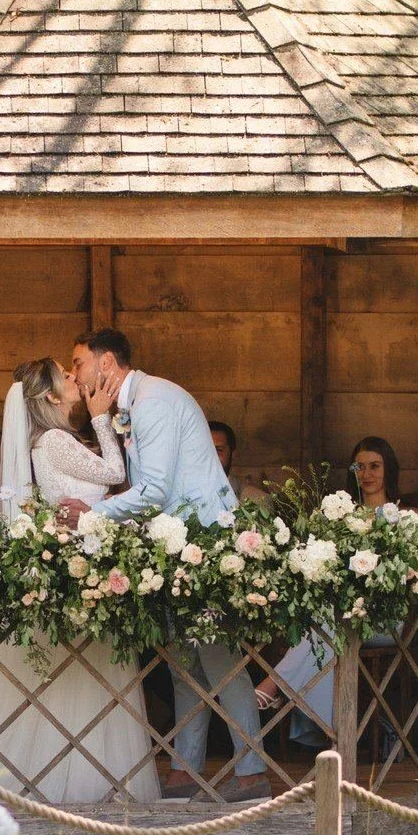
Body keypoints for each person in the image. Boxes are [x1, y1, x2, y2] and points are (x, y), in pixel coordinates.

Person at [0, 359, 160, 803]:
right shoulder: (53, 440)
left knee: (75, 686)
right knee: (80, 685)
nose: (76, 379)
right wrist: (99, 419)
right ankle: (73, 786)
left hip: (82, 566)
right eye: (66, 377)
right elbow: (115, 474)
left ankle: (72, 782)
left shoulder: (51, 441)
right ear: (52, 397)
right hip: (80, 573)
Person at [64, 330, 268, 801]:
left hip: (202, 544)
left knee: (217, 656)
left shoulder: (153, 401)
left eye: (78, 363)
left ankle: (253, 771)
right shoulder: (135, 405)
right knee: (183, 664)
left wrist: (94, 516)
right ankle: (185, 768)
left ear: (107, 363)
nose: (74, 373)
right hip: (174, 546)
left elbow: (153, 490)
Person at [254, 436, 404, 747]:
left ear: (388, 469)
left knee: (325, 624)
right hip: (340, 617)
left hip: (383, 618)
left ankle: (275, 685)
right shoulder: (341, 517)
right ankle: (334, 731)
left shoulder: (403, 517)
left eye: (375, 466)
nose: (367, 474)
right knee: (328, 624)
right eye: (359, 467)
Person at [209, 420, 261, 503]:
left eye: (218, 450)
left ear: (233, 454)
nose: (209, 457)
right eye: (203, 450)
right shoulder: (182, 495)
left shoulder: (256, 500)